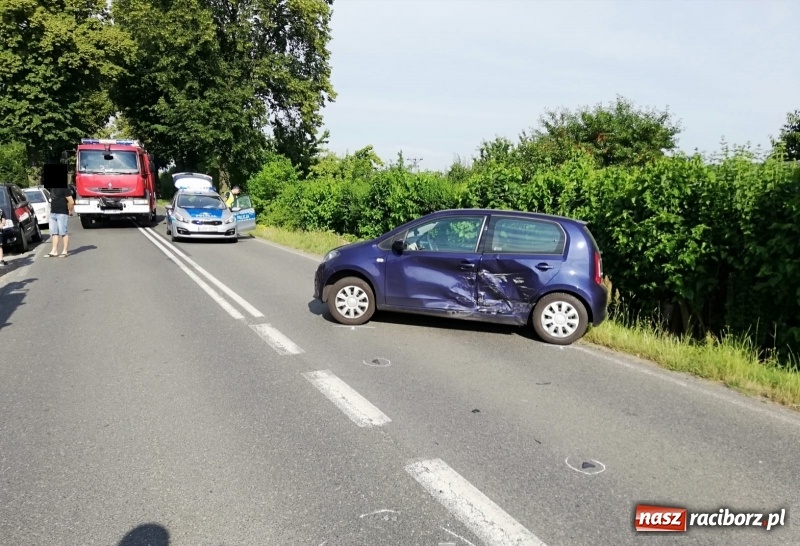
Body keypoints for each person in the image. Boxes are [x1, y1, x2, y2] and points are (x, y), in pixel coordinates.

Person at [45, 186, 74, 258]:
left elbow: (71, 201)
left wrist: (70, 211)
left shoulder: (65, 188)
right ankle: (54, 251)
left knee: (63, 232)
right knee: (54, 232)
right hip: (53, 213)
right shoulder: (52, 188)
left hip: (62, 213)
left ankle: (64, 251)